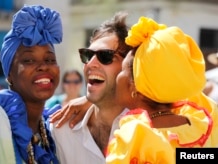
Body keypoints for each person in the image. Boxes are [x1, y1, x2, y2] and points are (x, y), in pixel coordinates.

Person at [49, 12, 174, 164]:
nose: (91, 64)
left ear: (130, 68)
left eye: (105, 56)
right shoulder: (60, 129)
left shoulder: (157, 126)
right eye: (87, 55)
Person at [105, 16, 218, 163]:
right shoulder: (202, 126)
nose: (117, 76)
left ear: (135, 85)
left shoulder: (135, 135)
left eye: (122, 70)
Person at [0, 5, 62, 163]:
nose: (44, 66)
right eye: (29, 60)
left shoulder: (52, 129)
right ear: (9, 74)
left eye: (50, 60)